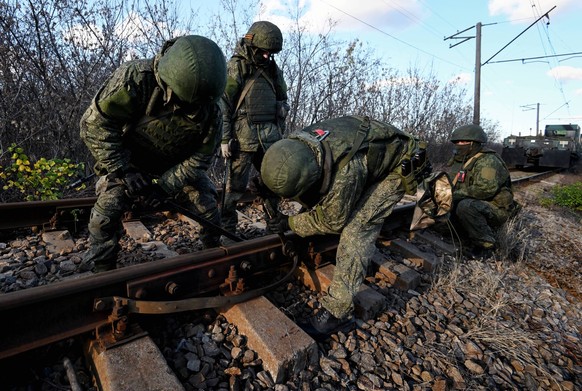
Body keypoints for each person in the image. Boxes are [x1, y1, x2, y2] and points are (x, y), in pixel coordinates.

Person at [260, 115, 430, 337]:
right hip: (367, 152)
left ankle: (338, 314)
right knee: (324, 205)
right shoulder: (297, 144)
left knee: (357, 228)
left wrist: (290, 222)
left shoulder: (345, 173)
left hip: (401, 163)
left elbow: (332, 220)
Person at [79, 35, 227, 272]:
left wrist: (164, 187)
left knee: (209, 210)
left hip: (175, 168)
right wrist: (123, 169)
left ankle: (213, 259)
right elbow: (94, 125)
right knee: (104, 216)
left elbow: (200, 159)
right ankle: (101, 269)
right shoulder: (136, 79)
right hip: (129, 165)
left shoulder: (211, 111)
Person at [219, 21, 290, 236]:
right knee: (233, 189)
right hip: (242, 137)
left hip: (269, 137)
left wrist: (282, 109)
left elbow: (282, 96)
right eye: (264, 52)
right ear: (253, 46)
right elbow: (225, 105)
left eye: (271, 53)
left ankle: (274, 224)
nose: (267, 56)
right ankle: (227, 231)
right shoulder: (236, 66)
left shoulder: (272, 69)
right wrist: (224, 139)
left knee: (272, 183)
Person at [445, 124, 518, 255]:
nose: (460, 144)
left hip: (495, 208)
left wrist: (453, 195)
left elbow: (485, 189)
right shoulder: (461, 160)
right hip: (472, 203)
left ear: (475, 143)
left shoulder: (488, 161)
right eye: (457, 142)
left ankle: (486, 245)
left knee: (465, 206)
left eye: (464, 141)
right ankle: (467, 234)